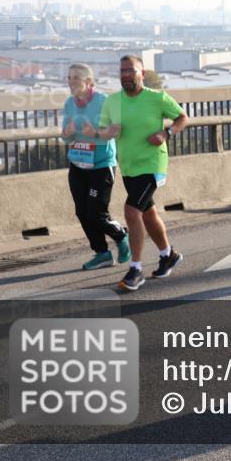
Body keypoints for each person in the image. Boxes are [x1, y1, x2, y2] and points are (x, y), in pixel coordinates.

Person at [98, 55, 189, 291]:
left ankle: (135, 269)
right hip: (129, 166)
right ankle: (168, 255)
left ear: (143, 73)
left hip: (153, 164)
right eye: (122, 71)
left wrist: (167, 134)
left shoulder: (156, 98)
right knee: (147, 214)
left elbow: (182, 117)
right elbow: (101, 131)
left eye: (131, 71)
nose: (126, 75)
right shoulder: (112, 102)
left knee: (131, 211)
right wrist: (109, 132)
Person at [62, 64, 130, 270]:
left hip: (101, 165)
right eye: (69, 77)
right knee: (82, 212)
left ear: (89, 82)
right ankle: (102, 253)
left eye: (76, 78)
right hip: (77, 163)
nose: (71, 82)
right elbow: (65, 137)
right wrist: (69, 131)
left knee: (96, 213)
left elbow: (117, 130)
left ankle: (121, 235)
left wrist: (97, 134)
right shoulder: (69, 103)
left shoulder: (104, 101)